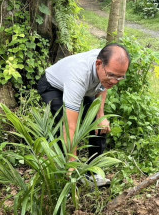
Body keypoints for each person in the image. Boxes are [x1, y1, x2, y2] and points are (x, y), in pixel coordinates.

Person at [37, 44, 130, 186]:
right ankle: (65, 175)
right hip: (53, 86)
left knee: (99, 124)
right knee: (63, 122)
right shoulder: (79, 75)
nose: (114, 81)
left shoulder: (108, 65)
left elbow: (104, 85)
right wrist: (72, 163)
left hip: (86, 89)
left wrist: (100, 114)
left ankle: (93, 173)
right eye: (111, 75)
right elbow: (70, 127)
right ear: (98, 64)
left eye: (120, 77)